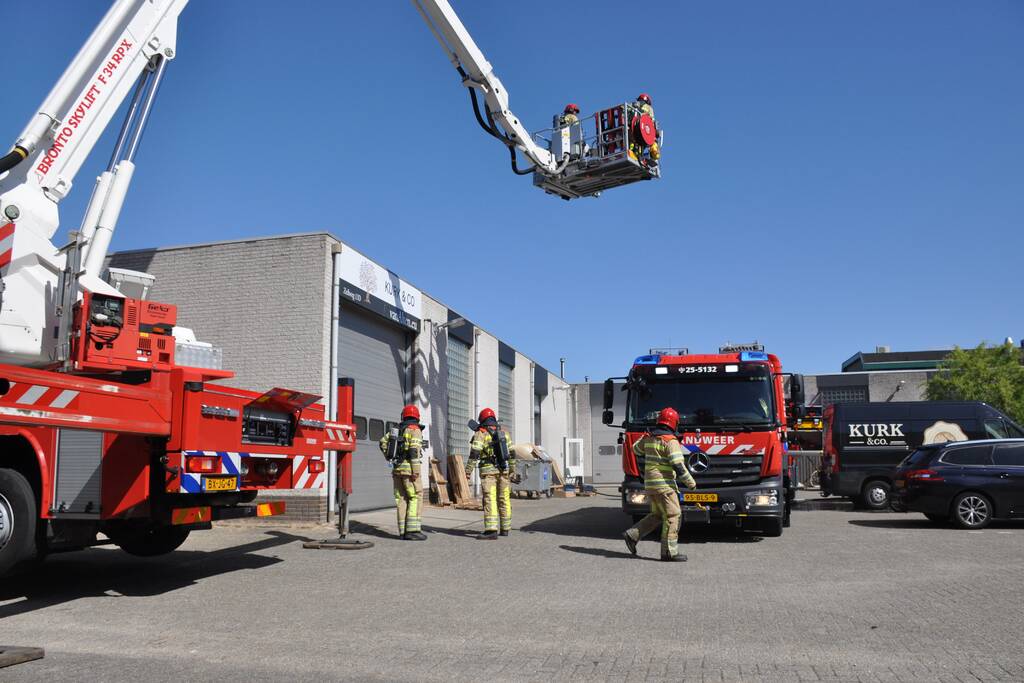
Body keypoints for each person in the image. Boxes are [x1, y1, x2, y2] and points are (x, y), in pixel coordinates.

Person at [623, 407, 696, 562]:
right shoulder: (670, 441)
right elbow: (678, 465)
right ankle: (669, 553)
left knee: (657, 515)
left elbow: (634, 449)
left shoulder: (650, 438)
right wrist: (691, 483)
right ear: (674, 423)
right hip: (665, 486)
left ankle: (632, 535)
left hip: (651, 485)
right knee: (673, 515)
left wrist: (644, 436)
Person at [378, 404, 427, 541]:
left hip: (397, 469)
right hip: (409, 471)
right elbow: (414, 451)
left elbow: (382, 442)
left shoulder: (396, 430)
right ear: (417, 417)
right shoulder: (415, 430)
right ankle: (412, 531)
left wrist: (389, 457)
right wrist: (416, 471)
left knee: (401, 499)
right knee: (415, 497)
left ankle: (402, 531)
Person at [465, 407, 515, 539]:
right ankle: (505, 529)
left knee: (490, 498)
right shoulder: (504, 432)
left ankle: (491, 530)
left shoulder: (480, 433)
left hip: (489, 473)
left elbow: (474, 453)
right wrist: (512, 470)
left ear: (482, 420)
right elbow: (512, 453)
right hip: (504, 470)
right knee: (504, 498)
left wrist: (468, 471)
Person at [629, 93, 660, 165]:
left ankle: (632, 153)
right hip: (643, 131)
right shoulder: (649, 108)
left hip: (631, 129)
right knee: (649, 144)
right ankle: (649, 158)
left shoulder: (632, 104)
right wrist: (655, 132)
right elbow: (651, 121)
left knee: (632, 143)